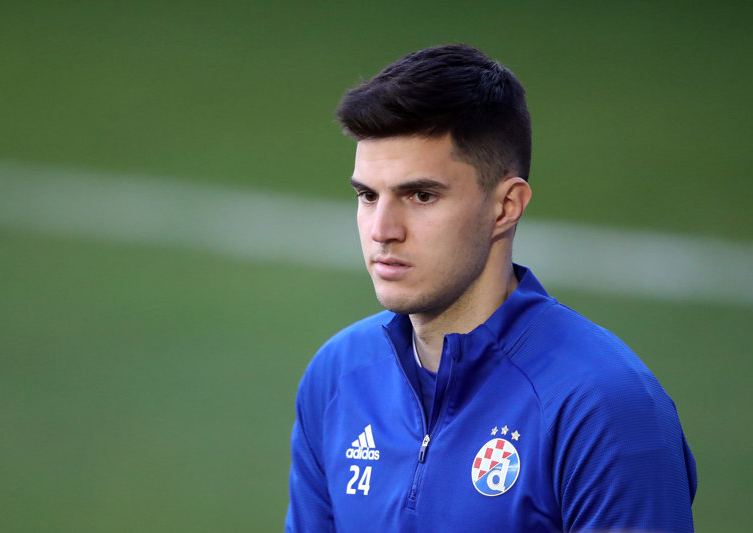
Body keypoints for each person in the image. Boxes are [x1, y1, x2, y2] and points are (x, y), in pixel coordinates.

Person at [286, 44, 697, 532]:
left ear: (506, 206)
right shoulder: (338, 377)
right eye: (368, 195)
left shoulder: (603, 406)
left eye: (421, 195)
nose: (382, 230)